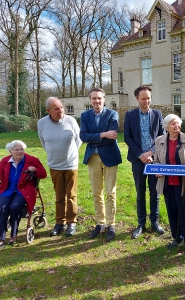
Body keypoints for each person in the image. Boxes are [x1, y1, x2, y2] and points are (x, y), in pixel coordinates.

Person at [0, 140, 47, 251]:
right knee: (2, 208)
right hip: (7, 189)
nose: (20, 151)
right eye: (17, 150)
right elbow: (1, 175)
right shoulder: (5, 161)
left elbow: (43, 174)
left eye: (21, 149)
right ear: (11, 151)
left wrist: (35, 170)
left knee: (14, 207)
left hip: (24, 190)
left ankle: (13, 235)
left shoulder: (32, 160)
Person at [154, 114, 185, 255]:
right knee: (172, 212)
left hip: (184, 184)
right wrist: (157, 171)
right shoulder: (159, 140)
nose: (176, 126)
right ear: (167, 126)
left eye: (178, 123)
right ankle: (176, 237)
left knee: (184, 213)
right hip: (168, 183)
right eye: (173, 124)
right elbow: (156, 160)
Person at [80, 88, 122, 242]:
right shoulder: (85, 116)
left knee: (110, 192)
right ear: (90, 100)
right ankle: (100, 223)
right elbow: (83, 136)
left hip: (110, 157)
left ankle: (111, 224)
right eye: (94, 99)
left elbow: (113, 136)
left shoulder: (112, 114)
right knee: (97, 192)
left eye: (99, 98)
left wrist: (94, 137)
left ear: (104, 99)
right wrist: (103, 134)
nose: (97, 101)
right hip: (93, 158)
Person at [124, 85, 165, 239]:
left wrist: (151, 152)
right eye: (143, 98)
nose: (147, 101)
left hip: (154, 160)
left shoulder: (157, 114)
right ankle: (141, 223)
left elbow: (162, 135)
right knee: (140, 193)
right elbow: (127, 137)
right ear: (137, 98)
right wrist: (141, 154)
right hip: (138, 160)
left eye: (148, 98)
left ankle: (155, 221)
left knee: (155, 192)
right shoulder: (129, 115)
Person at [37, 97, 82, 237]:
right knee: (59, 196)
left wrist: (71, 155)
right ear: (48, 111)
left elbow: (78, 139)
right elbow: (43, 141)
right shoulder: (42, 123)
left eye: (61, 107)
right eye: (56, 109)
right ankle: (59, 223)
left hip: (70, 164)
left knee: (71, 195)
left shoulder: (71, 121)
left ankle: (71, 222)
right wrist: (54, 154)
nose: (60, 111)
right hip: (54, 165)